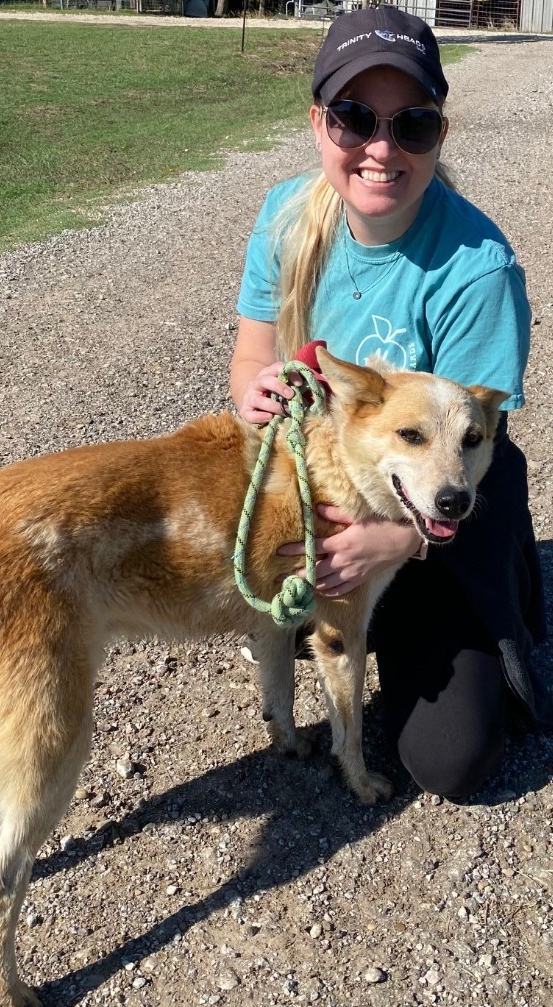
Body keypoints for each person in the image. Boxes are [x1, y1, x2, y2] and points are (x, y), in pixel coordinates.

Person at [231, 4, 551, 800]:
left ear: (438, 133)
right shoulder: (283, 216)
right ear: (317, 123)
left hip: (444, 492)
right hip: (335, 471)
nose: (380, 148)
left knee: (452, 761)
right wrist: (251, 391)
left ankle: (459, 602)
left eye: (410, 124)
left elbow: (473, 445)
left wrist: (397, 544)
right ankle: (327, 614)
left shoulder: (477, 268)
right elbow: (250, 355)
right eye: (352, 118)